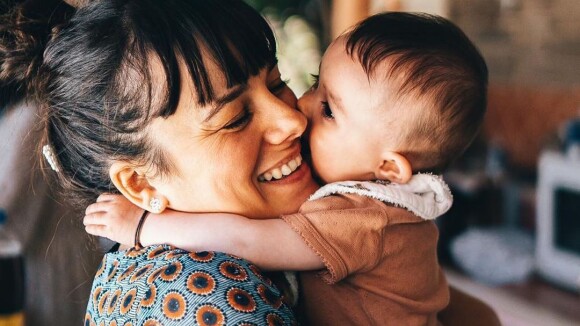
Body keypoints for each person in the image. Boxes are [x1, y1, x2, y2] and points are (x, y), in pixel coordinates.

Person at [84, 12, 490, 325]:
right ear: (138, 182)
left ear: (387, 167)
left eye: (329, 110)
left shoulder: (362, 217)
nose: (298, 115)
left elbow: (248, 240)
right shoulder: (203, 294)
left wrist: (144, 226)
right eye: (236, 117)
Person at [1, 0, 322, 324]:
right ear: (139, 184)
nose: (292, 120)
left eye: (276, 84)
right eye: (236, 119)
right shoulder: (213, 300)